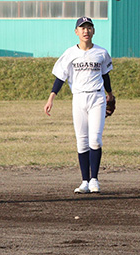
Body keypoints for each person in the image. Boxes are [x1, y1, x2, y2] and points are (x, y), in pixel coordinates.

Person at [44, 17, 115, 194]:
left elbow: (105, 75)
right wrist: (51, 98)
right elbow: (61, 77)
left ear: (93, 31)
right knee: (81, 141)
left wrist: (110, 95)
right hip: (78, 98)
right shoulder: (70, 53)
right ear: (76, 32)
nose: (86, 31)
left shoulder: (101, 52)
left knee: (95, 139)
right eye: (82, 28)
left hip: (97, 97)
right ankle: (84, 180)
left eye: (89, 27)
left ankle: (94, 179)